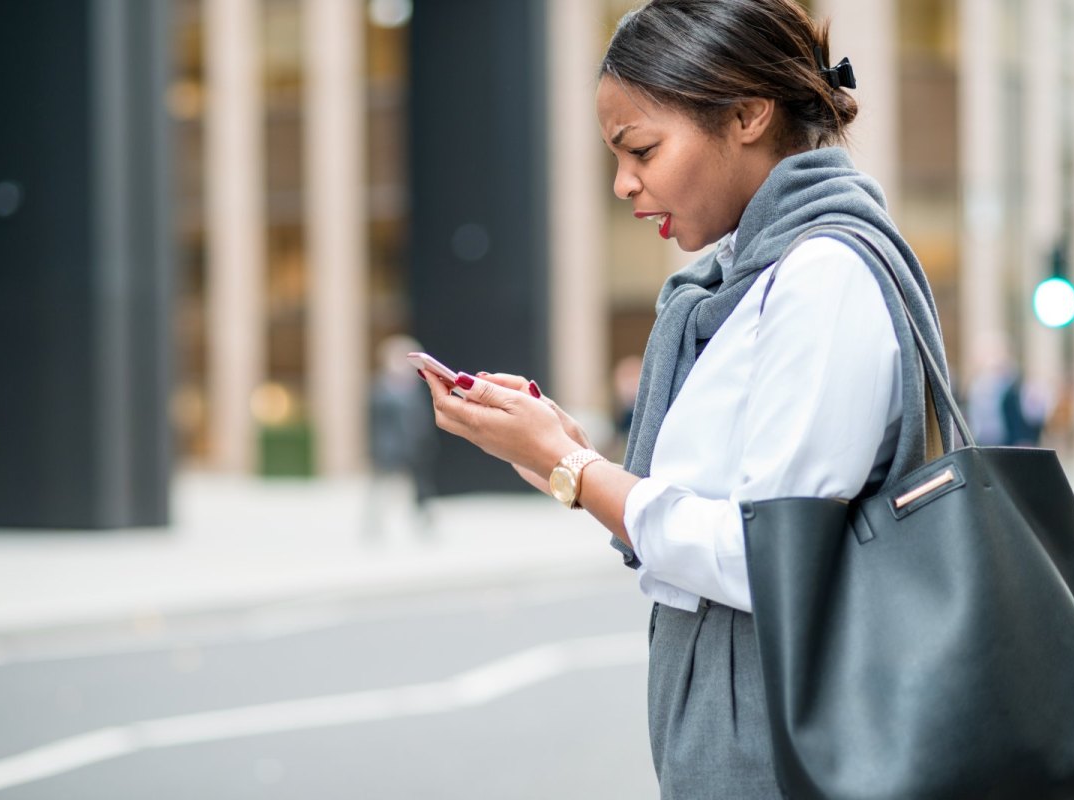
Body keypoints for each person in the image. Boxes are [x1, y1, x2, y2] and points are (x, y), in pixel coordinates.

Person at [421, 0, 951, 796]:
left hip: (792, 750)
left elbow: (768, 555)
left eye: (642, 148)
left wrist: (571, 468)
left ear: (746, 114)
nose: (623, 182)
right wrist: (568, 455)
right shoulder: (750, 284)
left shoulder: (820, 277)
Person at [367, 334, 438, 540]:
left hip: (414, 447)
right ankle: (374, 525)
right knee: (382, 488)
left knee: (421, 488)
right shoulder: (381, 388)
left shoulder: (415, 388)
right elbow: (375, 423)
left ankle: (425, 522)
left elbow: (422, 418)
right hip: (389, 449)